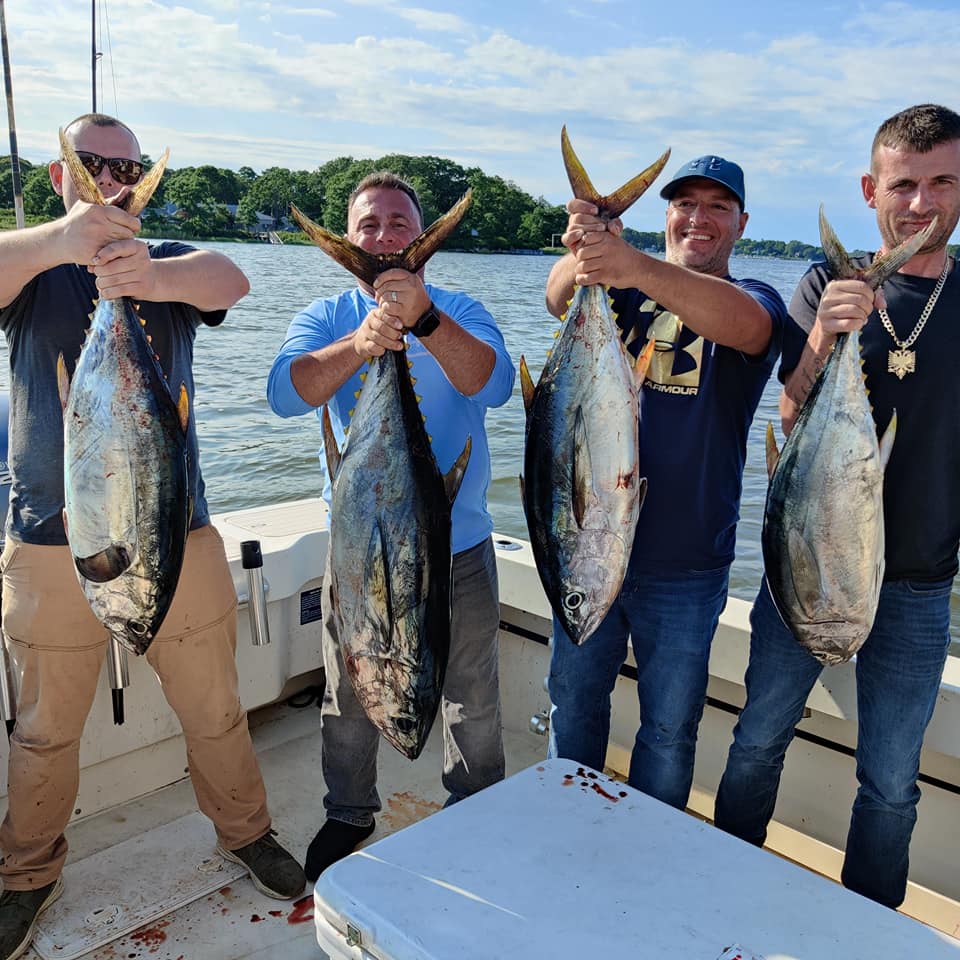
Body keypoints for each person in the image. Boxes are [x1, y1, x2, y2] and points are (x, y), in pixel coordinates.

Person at [0, 113, 305, 960]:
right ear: (60, 175)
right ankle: (26, 875)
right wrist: (66, 241)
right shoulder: (31, 259)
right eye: (90, 163)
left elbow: (232, 280)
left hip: (174, 530)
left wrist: (147, 278)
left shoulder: (167, 257)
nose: (109, 175)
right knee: (43, 732)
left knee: (214, 710)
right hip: (48, 541)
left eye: (124, 165)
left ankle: (245, 834)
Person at [714, 103, 960, 910]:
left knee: (892, 782)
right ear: (870, 188)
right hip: (805, 563)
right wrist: (823, 336)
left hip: (920, 583)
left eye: (941, 183)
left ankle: (865, 928)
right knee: (756, 741)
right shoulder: (826, 281)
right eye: (903, 185)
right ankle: (719, 889)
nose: (921, 204)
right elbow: (787, 415)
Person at [267, 171, 515, 881]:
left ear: (421, 233)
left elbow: (491, 385)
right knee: (349, 690)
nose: (384, 236)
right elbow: (286, 392)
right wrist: (363, 343)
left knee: (472, 691)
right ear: (350, 239)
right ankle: (348, 810)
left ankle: (476, 807)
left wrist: (426, 320)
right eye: (368, 225)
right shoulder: (326, 312)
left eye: (399, 222)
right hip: (358, 549)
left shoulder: (460, 306)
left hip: (455, 548)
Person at [544, 155, 786, 811]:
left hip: (685, 564)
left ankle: (652, 845)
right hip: (585, 548)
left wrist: (630, 263)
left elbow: (748, 328)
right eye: (686, 204)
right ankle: (566, 818)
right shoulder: (618, 287)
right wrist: (585, 248)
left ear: (741, 223)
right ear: (668, 214)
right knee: (574, 703)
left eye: (717, 207)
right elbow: (557, 296)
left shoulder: (756, 299)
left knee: (670, 727)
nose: (699, 219)